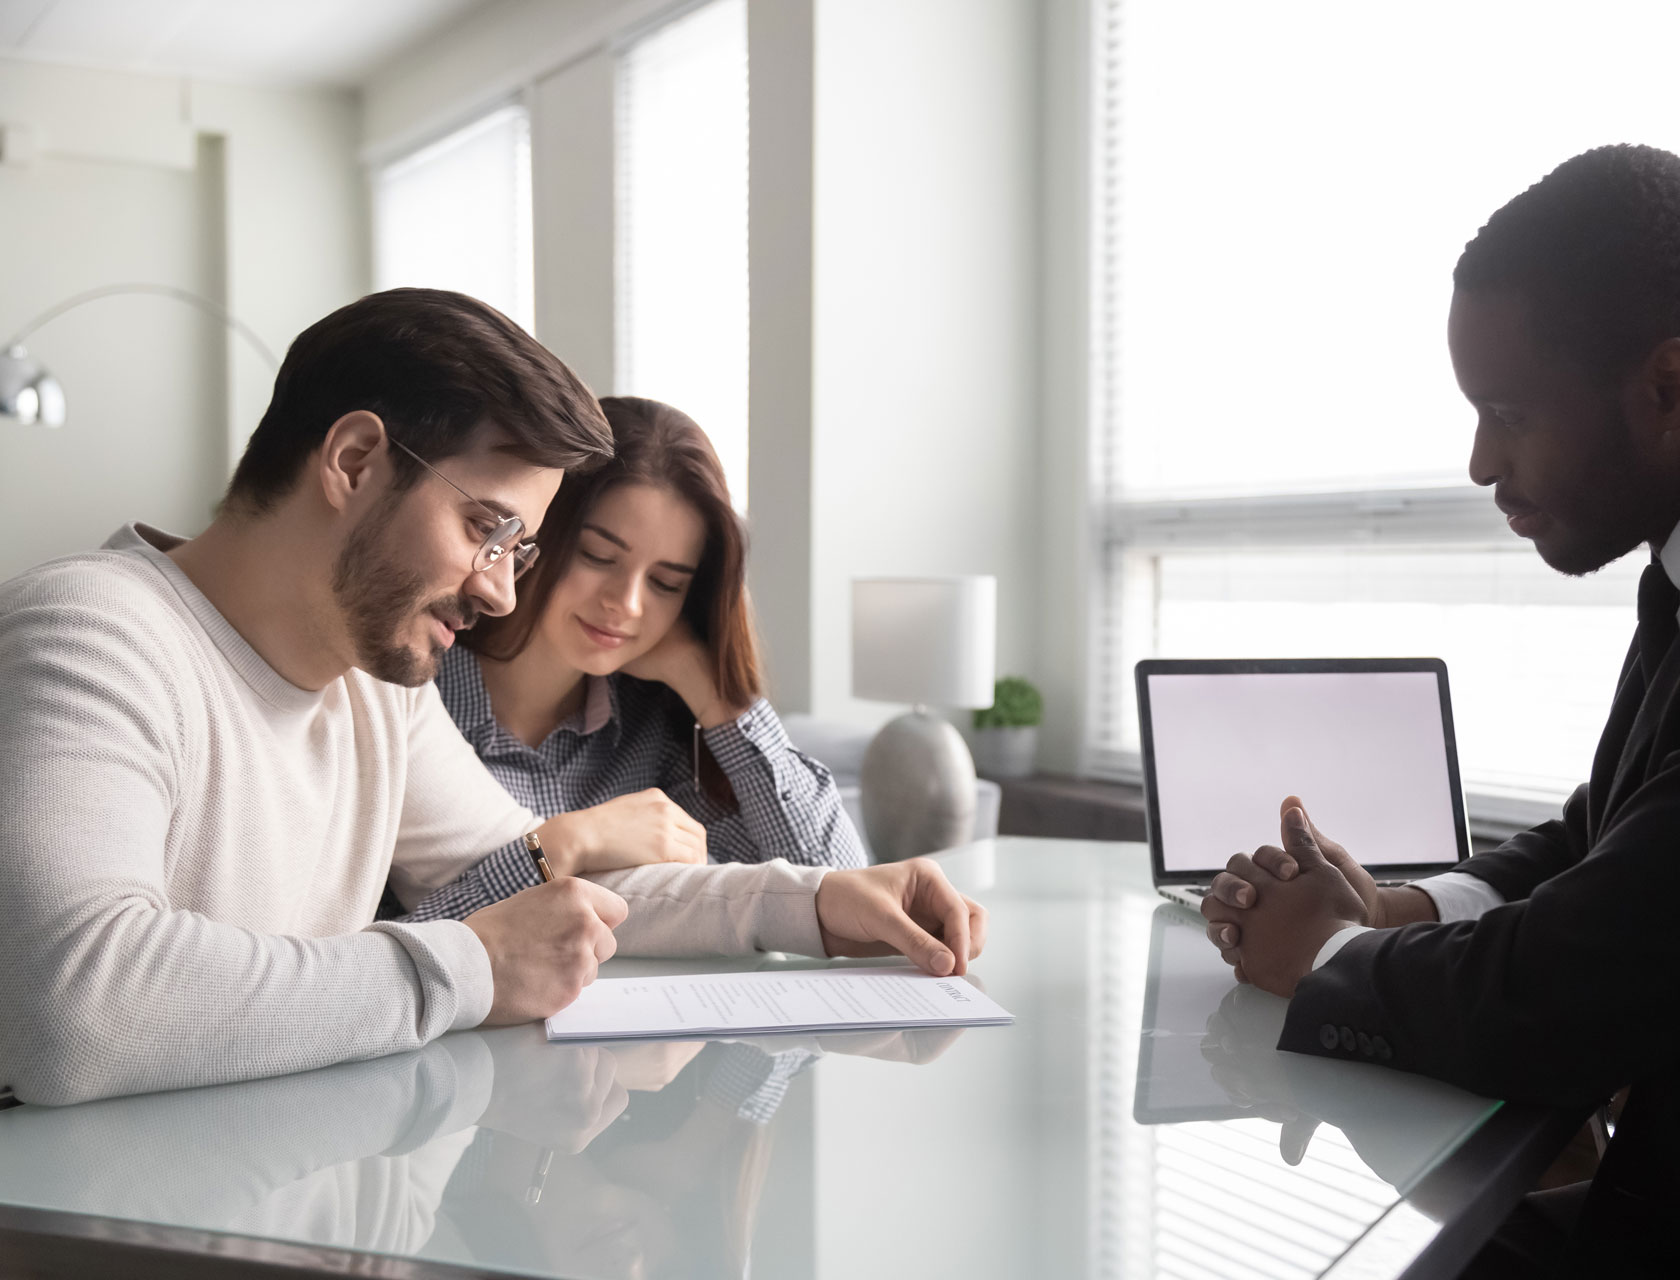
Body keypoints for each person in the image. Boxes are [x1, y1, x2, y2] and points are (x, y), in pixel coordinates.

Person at [1198, 145, 1680, 1275]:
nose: (1482, 460)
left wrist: (1325, 951)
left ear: (1672, 388)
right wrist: (1397, 907)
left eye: (1510, 413)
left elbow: (1578, 992)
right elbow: (1613, 831)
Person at [0, 288, 984, 1109]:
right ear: (352, 460)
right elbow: (77, 1007)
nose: (500, 590)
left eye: (518, 549)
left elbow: (541, 896)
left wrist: (812, 903)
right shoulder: (93, 628)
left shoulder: (372, 685)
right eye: (485, 527)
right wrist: (470, 966)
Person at [392, 396, 863, 927]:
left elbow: (837, 884)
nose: (628, 603)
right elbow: (391, 952)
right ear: (538, 532)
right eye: (598, 555)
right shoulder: (411, 692)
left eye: (666, 583)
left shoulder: (658, 732)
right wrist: (568, 844)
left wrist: (711, 687)